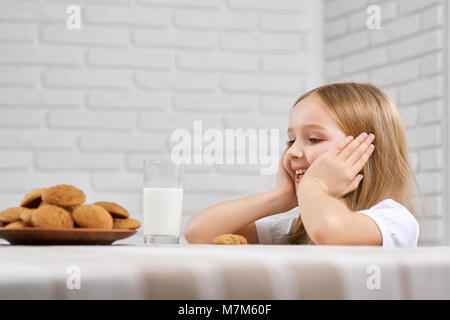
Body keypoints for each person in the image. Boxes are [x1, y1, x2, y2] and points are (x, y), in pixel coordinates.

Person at [183, 82, 421, 247]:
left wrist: (314, 185)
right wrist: (282, 197)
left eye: (314, 139)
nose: (293, 151)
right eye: (291, 139)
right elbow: (199, 233)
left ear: (367, 150)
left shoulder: (394, 221)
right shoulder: (299, 226)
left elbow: (330, 231)